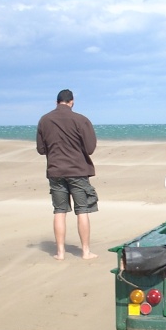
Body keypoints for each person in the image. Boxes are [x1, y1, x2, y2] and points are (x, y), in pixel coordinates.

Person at [36, 89, 99, 260]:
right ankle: (85, 251)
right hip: (77, 170)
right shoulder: (81, 120)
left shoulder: (44, 120)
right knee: (82, 210)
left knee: (59, 211)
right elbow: (90, 148)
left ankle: (60, 252)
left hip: (56, 170)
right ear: (71, 102)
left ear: (57, 102)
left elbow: (41, 150)